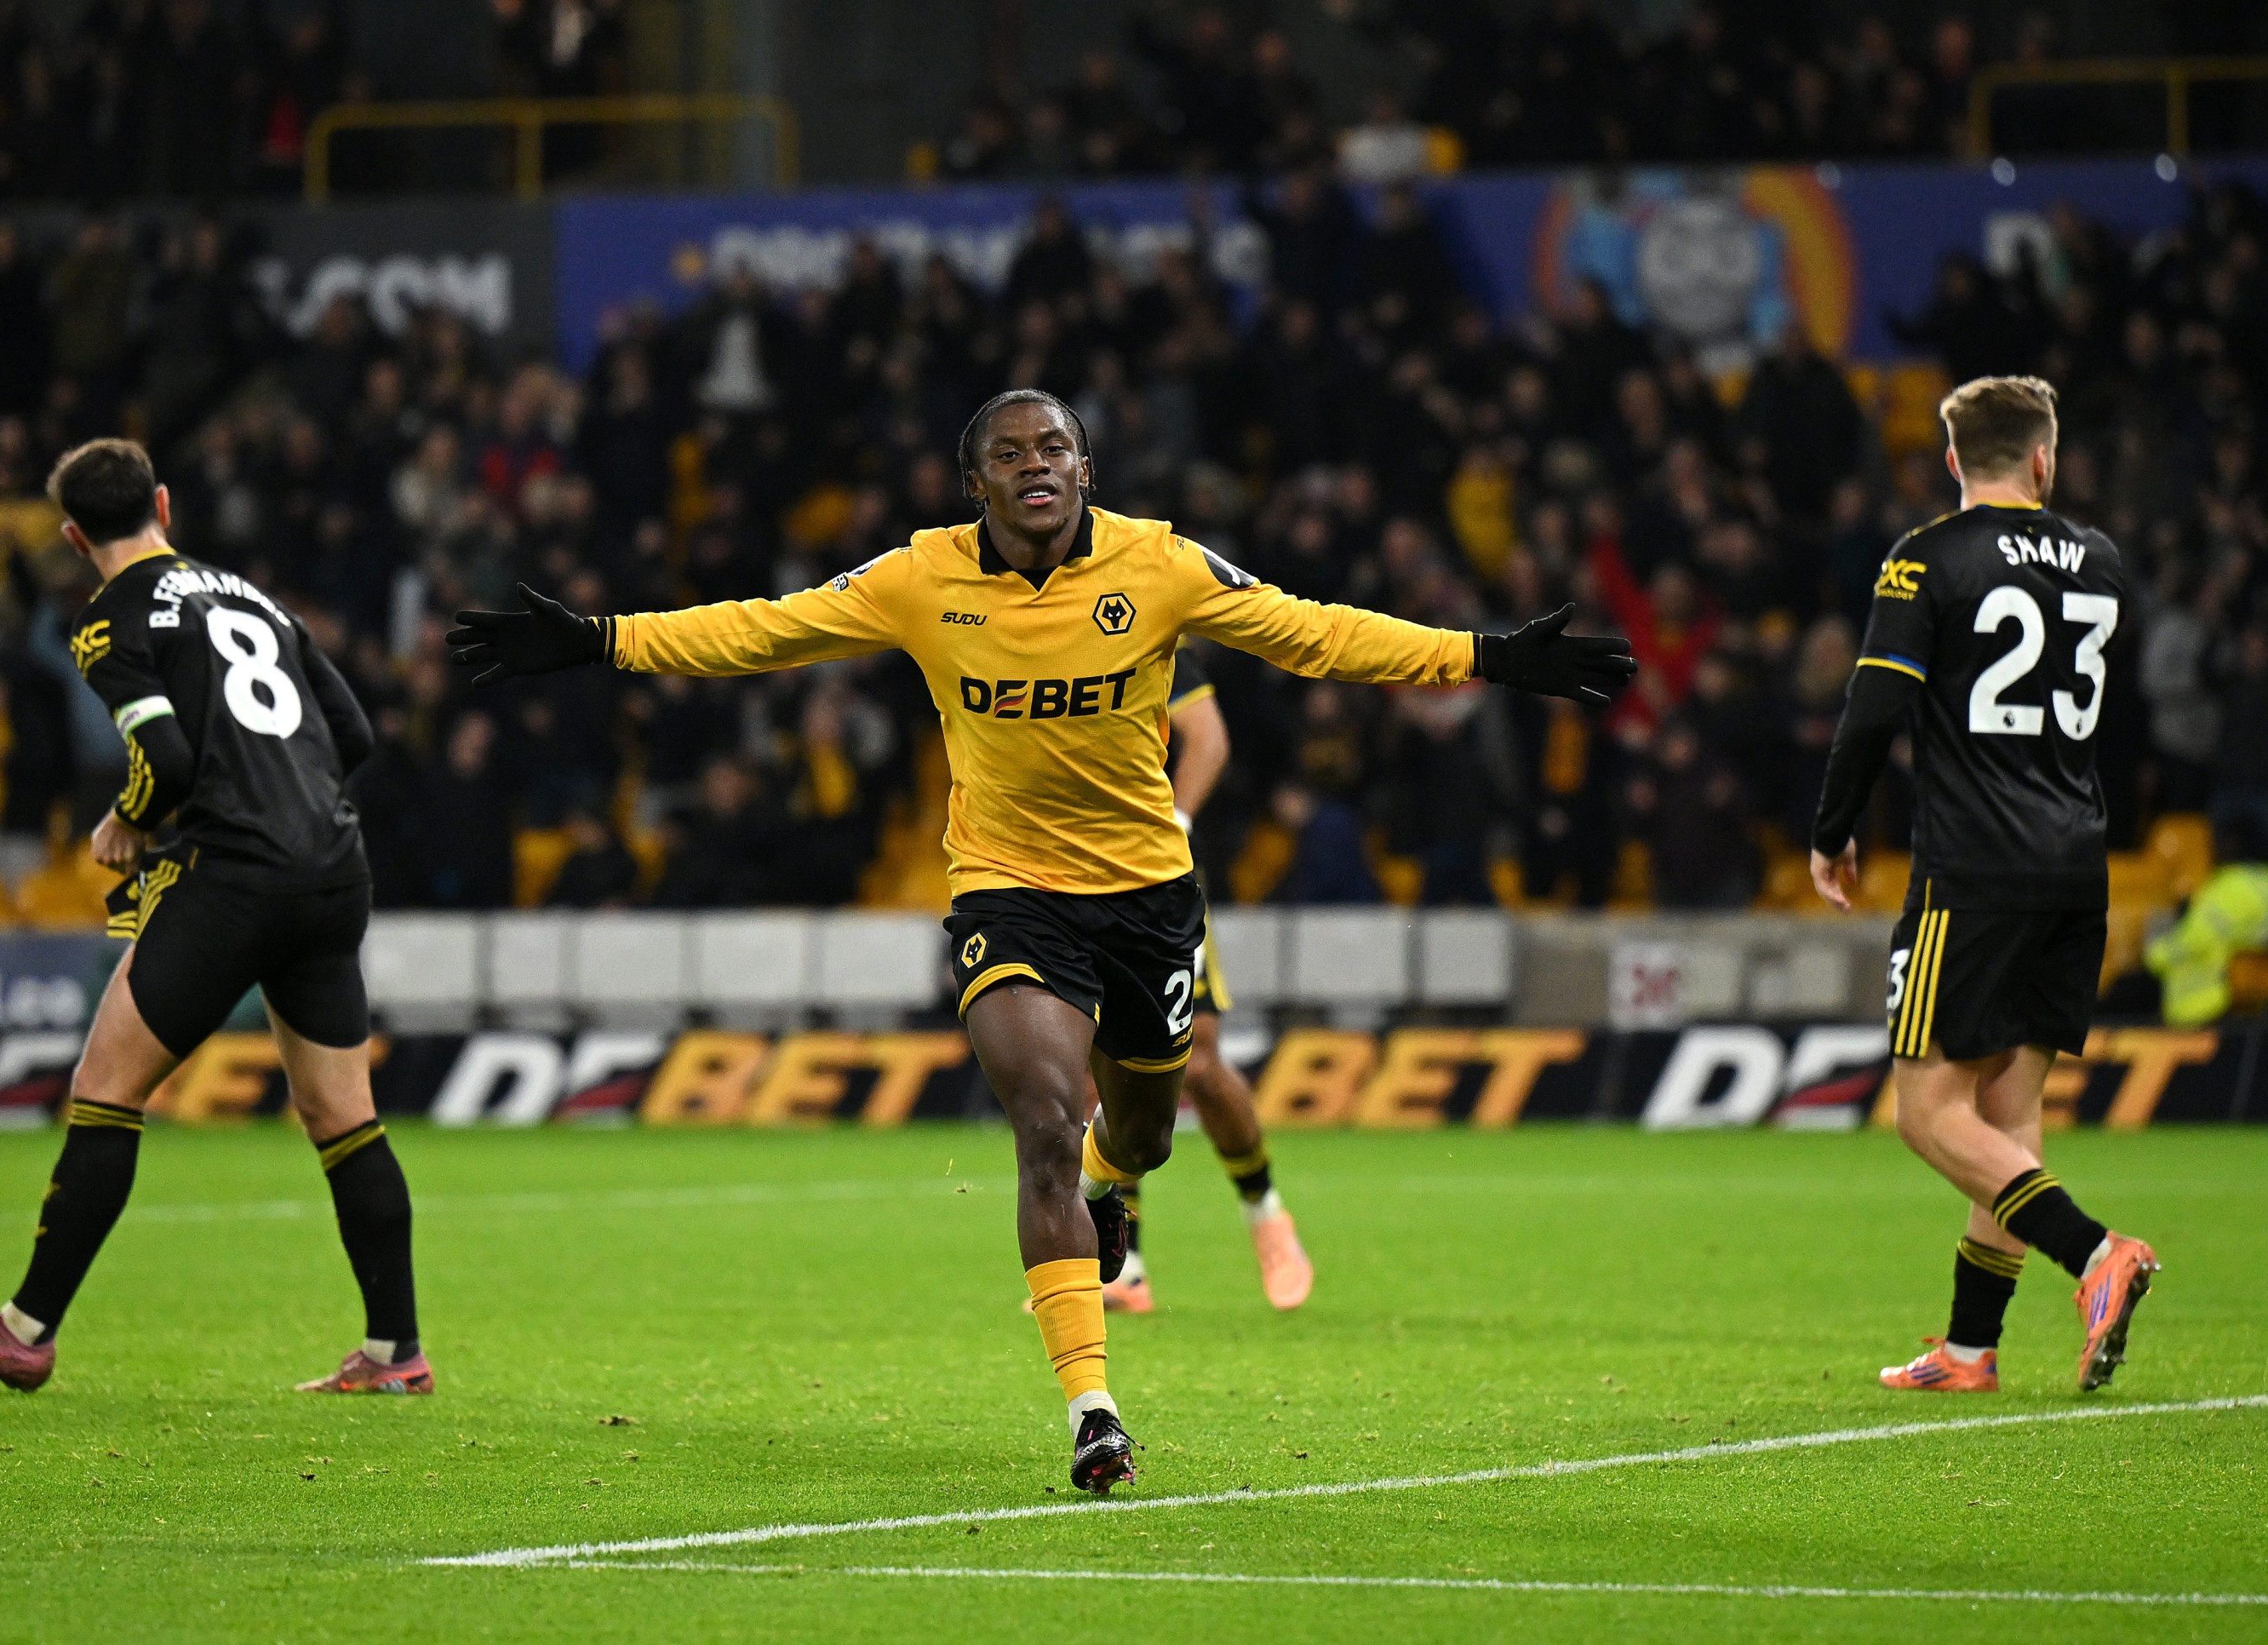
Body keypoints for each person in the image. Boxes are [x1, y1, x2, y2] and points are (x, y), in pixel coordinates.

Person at [449, 389, 1633, 1491]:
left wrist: (1480, 657)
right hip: (1008, 892)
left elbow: (1309, 633)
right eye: (1009, 454)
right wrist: (603, 641)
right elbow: (765, 631)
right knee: (1040, 1122)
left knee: (1140, 1134)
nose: (1035, 467)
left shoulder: (1158, 564)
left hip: (1149, 900)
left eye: (1053, 449)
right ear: (973, 480)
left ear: (1084, 468)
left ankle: (1117, 1185)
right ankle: (1091, 1409)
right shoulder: (919, 579)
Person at [0, 439, 426, 1398]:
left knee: (105, 1089)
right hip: (332, 869)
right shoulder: (254, 596)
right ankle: (396, 1353)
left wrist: (126, 819)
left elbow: (168, 761)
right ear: (165, 506)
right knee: (343, 1117)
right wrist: (288, 802)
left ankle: (25, 1330)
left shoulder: (109, 620)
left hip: (236, 874)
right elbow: (353, 734)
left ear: (72, 537)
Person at [1809, 376, 2156, 1395]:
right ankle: (1968, 1349)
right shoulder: (2099, 563)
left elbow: (1874, 709)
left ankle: (2096, 1256)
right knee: (2007, 1113)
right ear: (2045, 460)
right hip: (2074, 865)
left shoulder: (1927, 558)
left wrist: (1832, 831)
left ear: (1954, 461)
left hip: (1973, 865)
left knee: (1926, 1113)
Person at [1101, 647, 1313, 1315]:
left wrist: (1177, 824)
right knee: (1094, 1072)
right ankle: (1122, 1266)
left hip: (1156, 883)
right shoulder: (1031, 635)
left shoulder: (1144, 636)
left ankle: (1266, 1215)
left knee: (1197, 1063)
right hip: (1069, 878)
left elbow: (1209, 736)